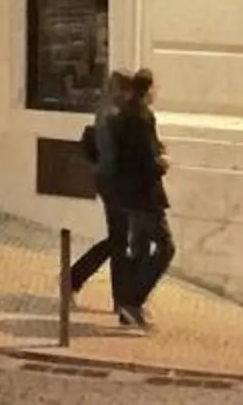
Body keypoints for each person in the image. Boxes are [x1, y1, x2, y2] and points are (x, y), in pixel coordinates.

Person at [62, 73, 134, 304]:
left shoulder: (106, 111)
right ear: (121, 91)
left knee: (119, 239)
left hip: (108, 181)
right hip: (115, 182)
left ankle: (117, 297)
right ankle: (74, 278)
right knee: (119, 240)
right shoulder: (113, 116)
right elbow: (114, 156)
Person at [110, 69, 174, 329]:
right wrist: (161, 163)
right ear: (147, 90)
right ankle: (133, 301)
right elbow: (146, 159)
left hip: (128, 194)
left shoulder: (123, 113)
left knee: (138, 249)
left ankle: (127, 306)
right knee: (166, 247)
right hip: (146, 196)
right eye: (154, 89)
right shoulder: (143, 117)